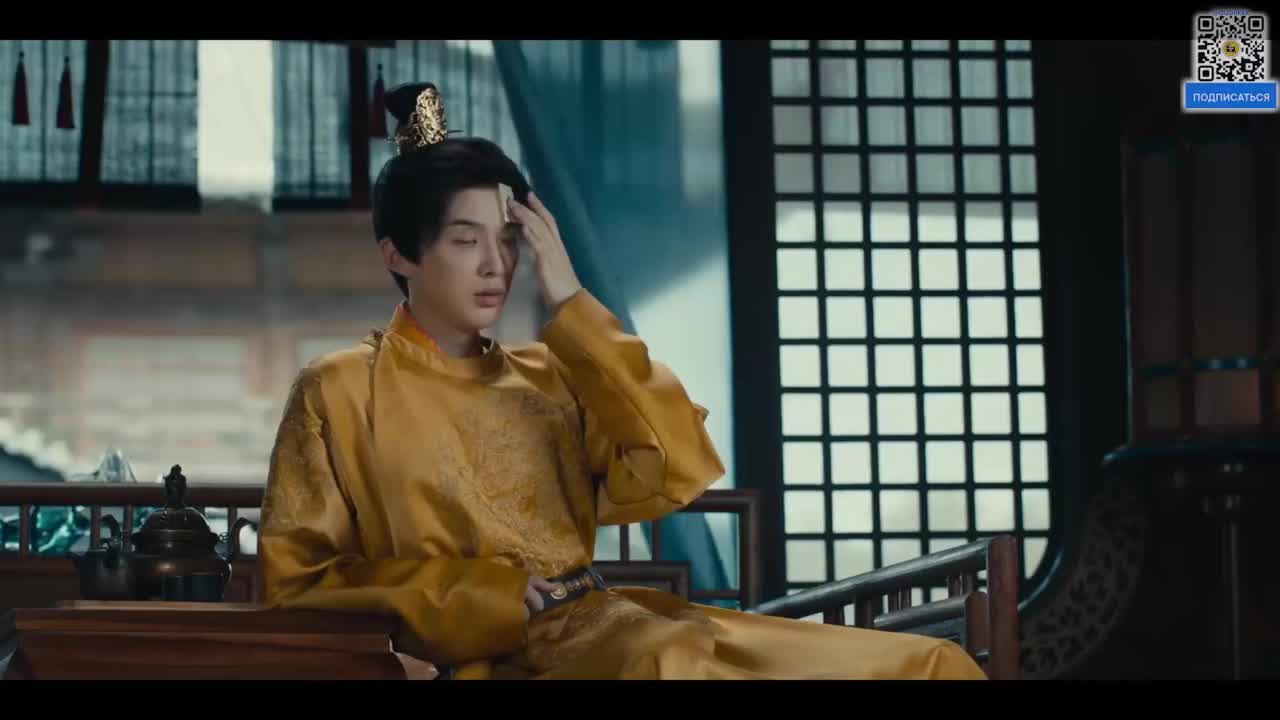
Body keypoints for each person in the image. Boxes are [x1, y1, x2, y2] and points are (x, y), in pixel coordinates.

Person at [258, 81, 988, 681]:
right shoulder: (340, 390)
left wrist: (573, 303)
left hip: (607, 626)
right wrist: (483, 595)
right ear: (400, 255)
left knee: (928, 662)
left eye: (508, 240)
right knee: (668, 663)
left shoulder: (552, 371)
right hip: (499, 650)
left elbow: (671, 466)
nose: (495, 265)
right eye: (464, 240)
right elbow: (296, 581)